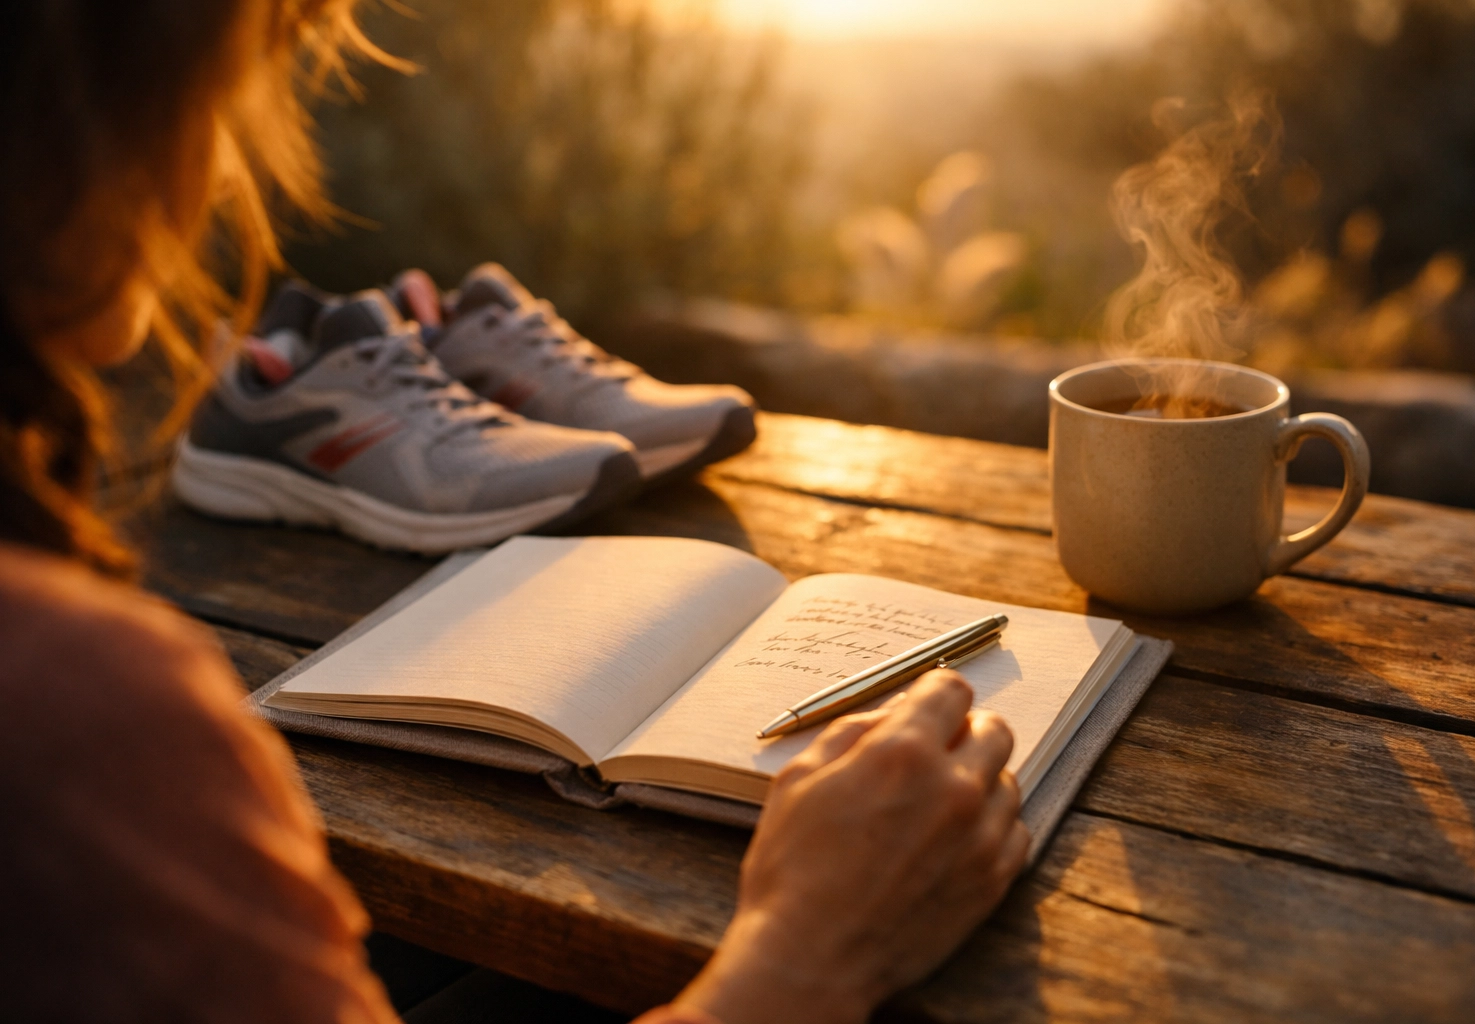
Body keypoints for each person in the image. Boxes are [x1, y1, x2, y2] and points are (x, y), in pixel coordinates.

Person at [0, 2, 1033, 1022]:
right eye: (218, 97)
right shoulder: (86, 713)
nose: (226, 174)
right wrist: (808, 952)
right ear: (67, 116)